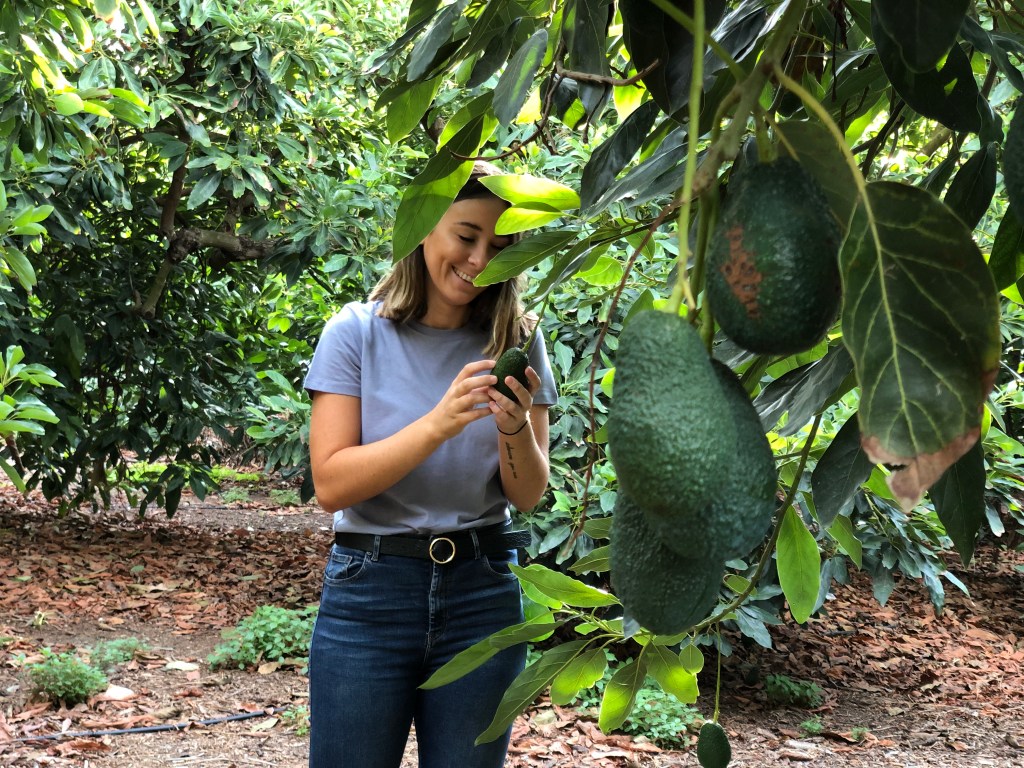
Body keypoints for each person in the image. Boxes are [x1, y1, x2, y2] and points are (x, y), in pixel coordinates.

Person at [303, 160, 559, 768]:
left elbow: (526, 496)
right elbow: (332, 484)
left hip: (483, 588)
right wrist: (439, 422)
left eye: (498, 247)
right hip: (371, 591)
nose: (478, 260)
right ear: (423, 227)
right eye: (465, 236)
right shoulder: (355, 333)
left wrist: (513, 426)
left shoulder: (518, 341)